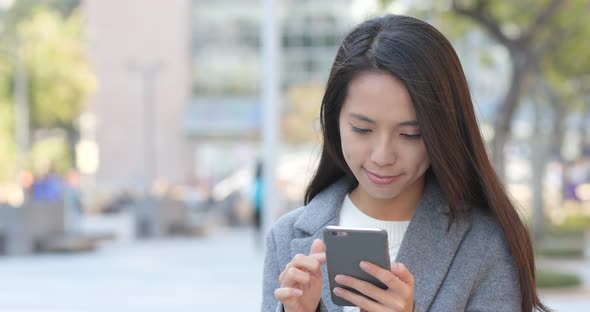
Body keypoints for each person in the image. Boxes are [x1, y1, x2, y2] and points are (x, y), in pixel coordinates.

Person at [262, 15, 549, 312]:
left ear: (442, 133)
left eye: (410, 134)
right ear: (334, 122)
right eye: (362, 129)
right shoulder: (286, 238)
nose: (382, 156)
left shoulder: (485, 245)